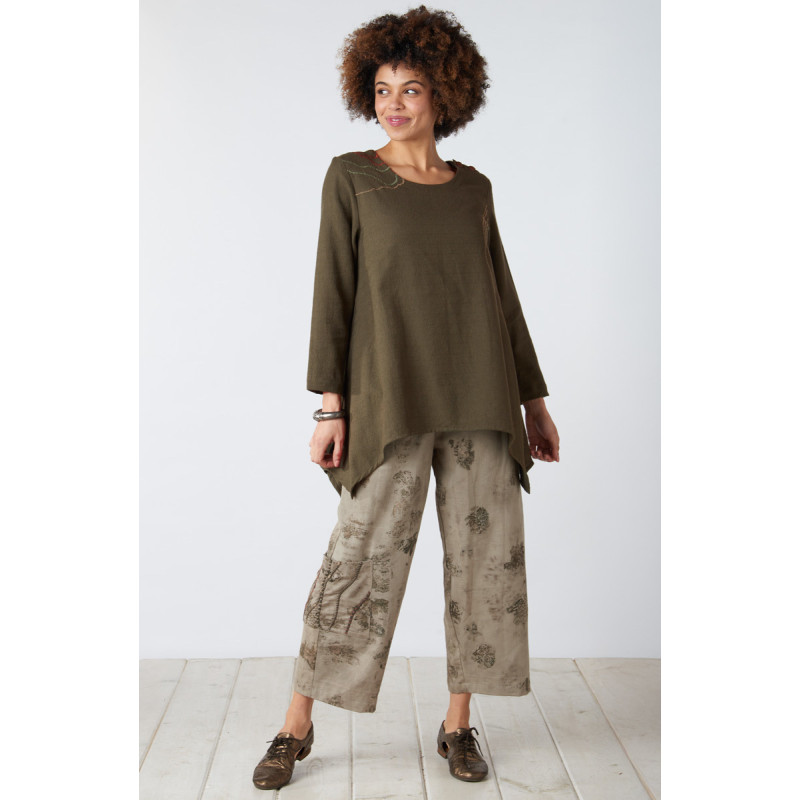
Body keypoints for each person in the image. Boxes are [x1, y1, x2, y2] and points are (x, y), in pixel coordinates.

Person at [252, 5, 560, 790]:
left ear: (443, 95)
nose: (394, 102)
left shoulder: (473, 189)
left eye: (411, 88)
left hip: (483, 399)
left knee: (486, 565)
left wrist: (534, 401)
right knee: (357, 559)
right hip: (390, 400)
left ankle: (458, 723)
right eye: (383, 88)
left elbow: (502, 297)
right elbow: (333, 293)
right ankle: (296, 725)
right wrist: (331, 406)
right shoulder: (352, 176)